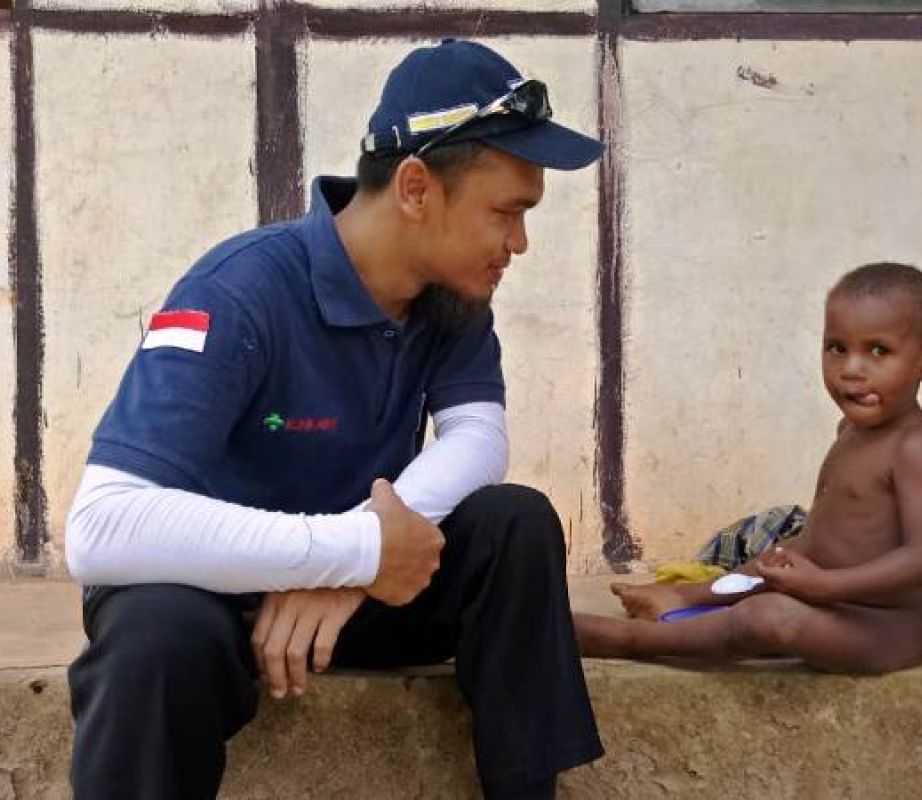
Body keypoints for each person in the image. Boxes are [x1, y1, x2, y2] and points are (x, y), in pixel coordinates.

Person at [65, 39, 604, 799]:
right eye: (507, 213)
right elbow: (101, 530)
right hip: (214, 602)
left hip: (352, 597)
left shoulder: (452, 298)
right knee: (149, 640)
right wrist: (347, 551)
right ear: (416, 189)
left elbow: (479, 439)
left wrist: (362, 564)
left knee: (515, 525)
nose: (519, 243)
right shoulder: (240, 291)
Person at [576, 263, 922, 674]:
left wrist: (824, 585)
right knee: (771, 562)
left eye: (879, 351)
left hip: (882, 632)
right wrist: (782, 575)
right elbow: (816, 541)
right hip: (822, 597)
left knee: (769, 617)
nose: (851, 369)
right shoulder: (851, 431)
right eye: (837, 348)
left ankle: (637, 642)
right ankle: (686, 600)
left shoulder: (916, 449)